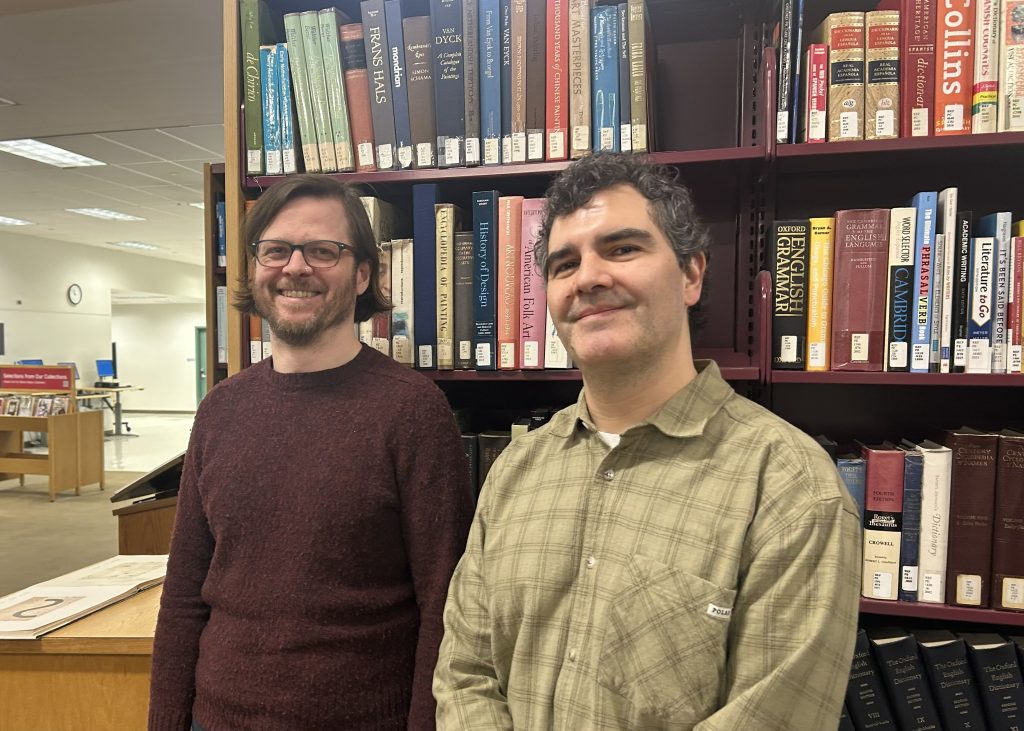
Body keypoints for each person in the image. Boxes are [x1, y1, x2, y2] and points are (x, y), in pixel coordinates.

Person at [434, 153, 861, 730]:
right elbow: (466, 673)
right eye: (564, 264)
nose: (588, 278)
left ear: (691, 275)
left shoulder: (791, 488)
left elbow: (773, 719)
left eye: (622, 249)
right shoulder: (517, 469)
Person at [149, 175, 474, 731]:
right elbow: (183, 596)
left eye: (323, 251)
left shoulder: (413, 412)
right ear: (255, 267)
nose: (295, 267)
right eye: (275, 250)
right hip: (218, 718)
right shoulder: (220, 410)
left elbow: (444, 607)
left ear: (363, 274)